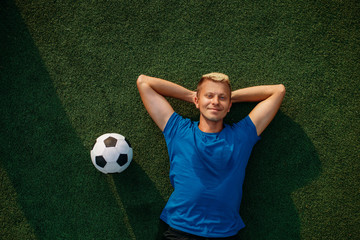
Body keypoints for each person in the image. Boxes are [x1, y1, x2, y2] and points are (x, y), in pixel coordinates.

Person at [137, 73, 285, 239]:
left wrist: (229, 98)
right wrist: (193, 96)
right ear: (197, 101)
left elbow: (278, 91)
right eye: (209, 96)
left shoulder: (242, 136)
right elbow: (144, 82)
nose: (215, 101)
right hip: (178, 229)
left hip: (224, 233)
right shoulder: (178, 130)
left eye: (222, 98)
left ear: (229, 105)